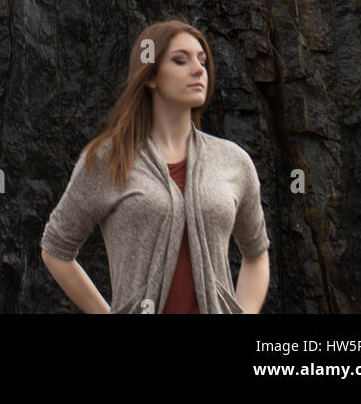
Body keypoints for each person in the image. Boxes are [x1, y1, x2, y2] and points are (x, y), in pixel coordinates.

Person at [40, 18, 271, 314]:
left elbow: (256, 253)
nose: (199, 69)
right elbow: (56, 249)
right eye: (180, 60)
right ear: (150, 76)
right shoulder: (108, 158)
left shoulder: (233, 161)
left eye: (202, 60)